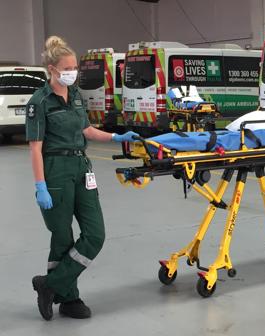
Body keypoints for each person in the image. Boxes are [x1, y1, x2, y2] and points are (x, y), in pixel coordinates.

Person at [27, 36, 139, 320]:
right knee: (62, 237)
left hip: (81, 168)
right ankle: (69, 299)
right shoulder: (39, 102)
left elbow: (87, 131)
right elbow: (35, 149)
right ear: (52, 69)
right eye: (67, 67)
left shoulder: (75, 94)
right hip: (55, 171)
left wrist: (116, 136)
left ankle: (49, 285)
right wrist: (40, 185)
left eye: (74, 67)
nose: (72, 71)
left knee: (95, 234)